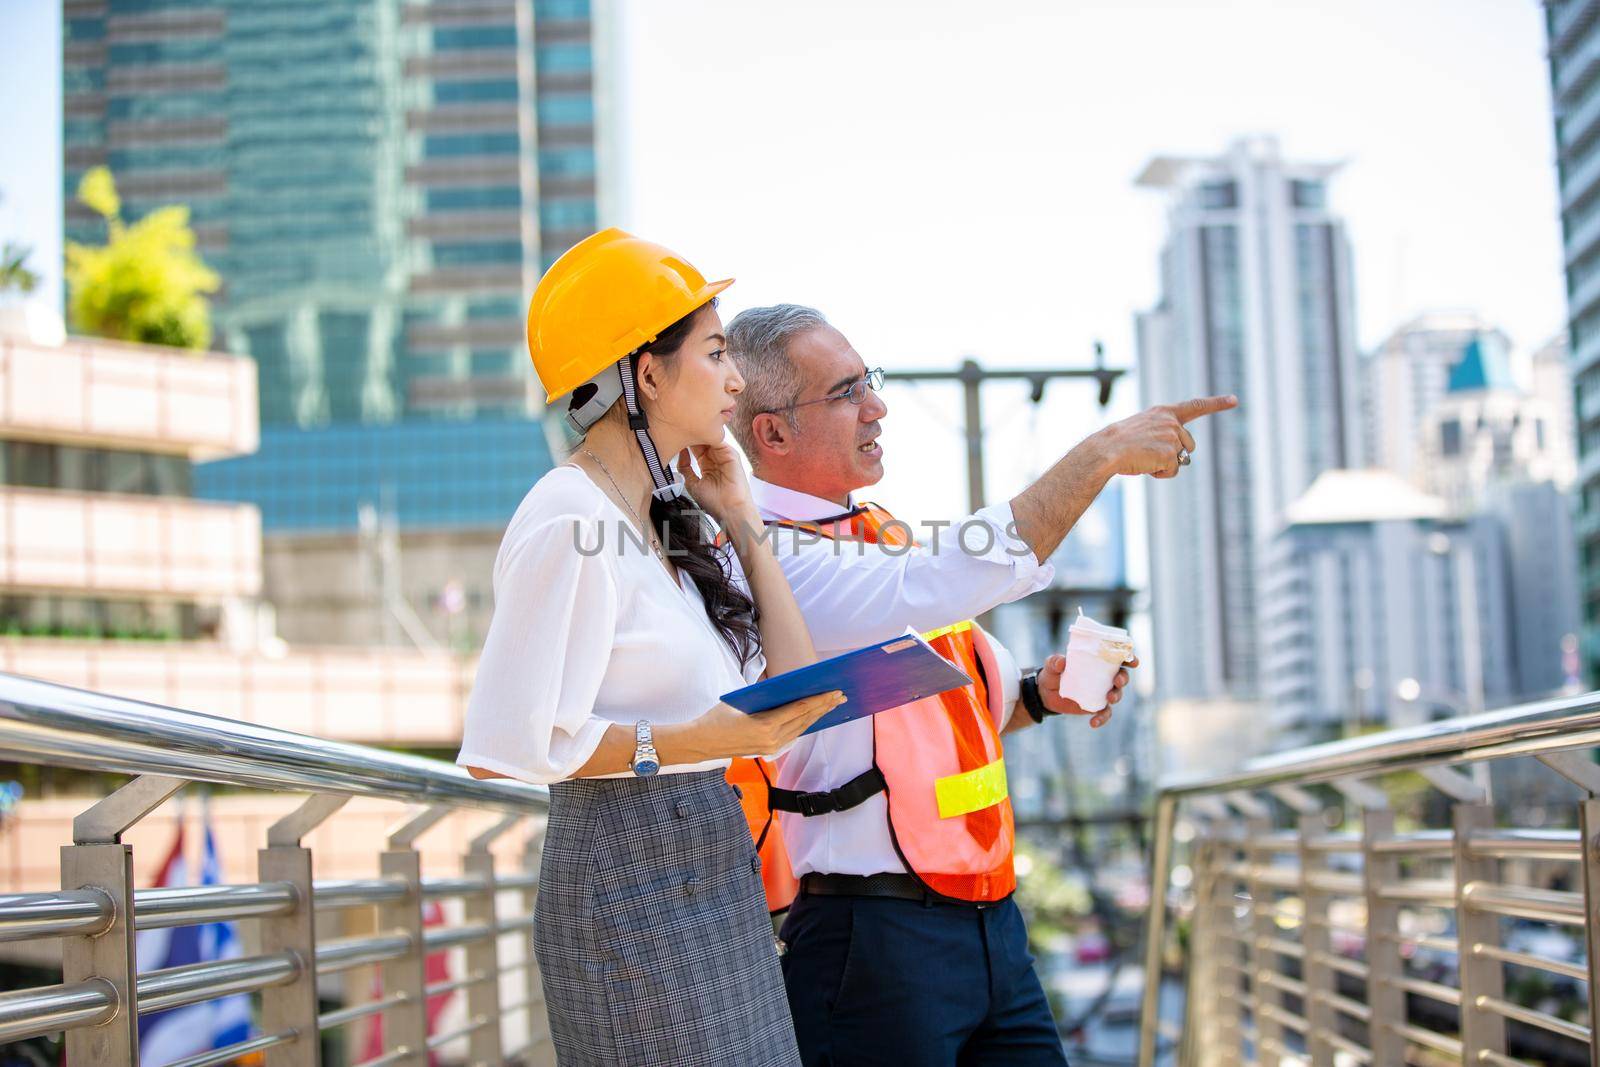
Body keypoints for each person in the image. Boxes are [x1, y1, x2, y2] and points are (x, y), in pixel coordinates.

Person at [723, 304, 1238, 1066]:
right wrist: (1101, 454)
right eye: (846, 391)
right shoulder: (770, 558)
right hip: (869, 938)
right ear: (772, 433)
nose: (877, 405)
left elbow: (976, 699)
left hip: (988, 922)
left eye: (870, 381)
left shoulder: (882, 537)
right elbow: (942, 579)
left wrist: (1045, 691)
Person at [456, 235, 846, 1066]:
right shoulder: (571, 518)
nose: (736, 378)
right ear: (648, 373)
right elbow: (505, 746)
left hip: (709, 861)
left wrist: (741, 521)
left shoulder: (668, 520)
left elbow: (792, 681)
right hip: (625, 875)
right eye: (715, 352)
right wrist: (694, 743)